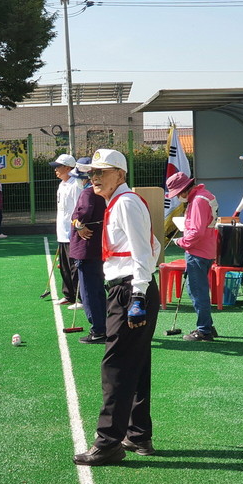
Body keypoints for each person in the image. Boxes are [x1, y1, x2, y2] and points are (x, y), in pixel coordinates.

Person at [73, 149, 161, 467]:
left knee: (116, 367)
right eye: (92, 173)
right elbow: (154, 245)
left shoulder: (124, 203)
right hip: (132, 289)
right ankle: (138, 435)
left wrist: (137, 295)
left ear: (120, 175)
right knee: (136, 365)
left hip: (130, 291)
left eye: (101, 172)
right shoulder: (121, 202)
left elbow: (143, 251)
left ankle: (108, 443)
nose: (94, 177)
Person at [166, 171, 219, 342]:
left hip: (198, 251)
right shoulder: (204, 195)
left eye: (177, 193)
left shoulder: (197, 201)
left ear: (183, 190)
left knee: (197, 291)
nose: (177, 197)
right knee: (198, 289)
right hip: (207, 249)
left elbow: (196, 232)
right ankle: (207, 326)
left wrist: (180, 242)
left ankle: (204, 330)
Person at [69, 157, 107, 343]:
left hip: (86, 248)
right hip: (100, 246)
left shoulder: (88, 193)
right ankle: (104, 325)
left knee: (89, 292)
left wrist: (78, 225)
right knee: (98, 289)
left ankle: (98, 329)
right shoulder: (104, 192)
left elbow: (82, 215)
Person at [51, 153, 83, 308]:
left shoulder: (76, 185)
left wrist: (76, 230)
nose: (56, 169)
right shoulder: (61, 185)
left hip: (72, 233)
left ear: (68, 168)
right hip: (62, 232)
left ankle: (80, 298)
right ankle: (69, 295)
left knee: (74, 266)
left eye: (58, 167)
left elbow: (79, 210)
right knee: (64, 266)